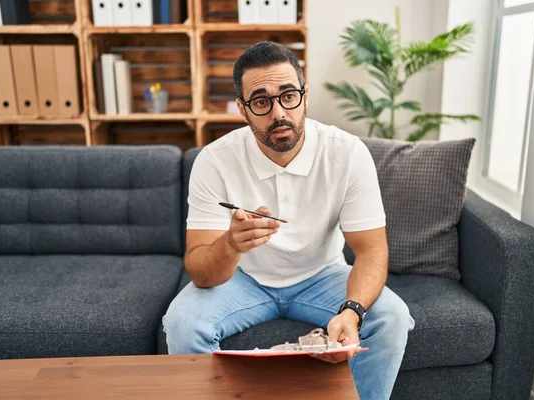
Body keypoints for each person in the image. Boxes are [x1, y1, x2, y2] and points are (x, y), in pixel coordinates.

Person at [162, 41, 415, 400]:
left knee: (391, 318)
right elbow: (202, 272)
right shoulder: (214, 160)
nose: (279, 112)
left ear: (304, 95)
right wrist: (231, 244)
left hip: (323, 275)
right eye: (261, 101)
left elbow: (371, 251)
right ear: (243, 109)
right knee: (182, 323)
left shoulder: (346, 152)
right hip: (243, 280)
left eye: (288, 95)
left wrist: (353, 310)